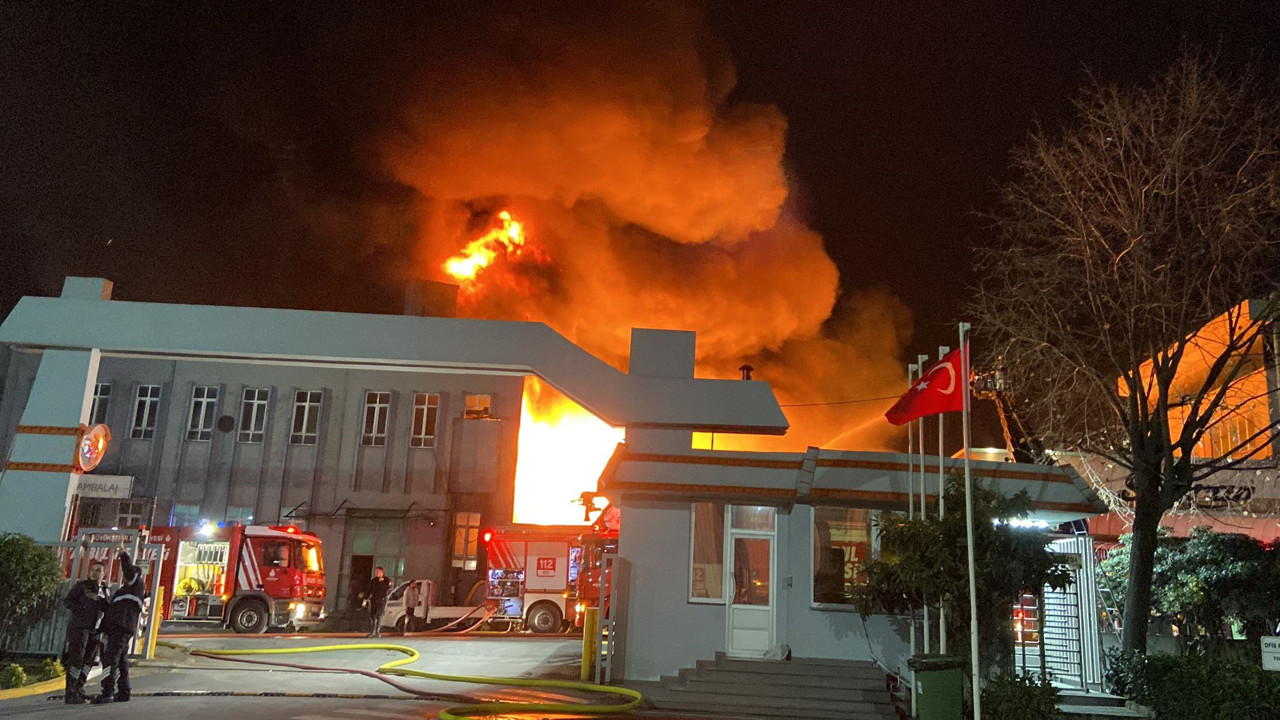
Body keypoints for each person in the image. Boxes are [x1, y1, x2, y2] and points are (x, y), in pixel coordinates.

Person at [93, 550, 147, 704]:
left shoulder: (137, 585)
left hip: (122, 627)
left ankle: (107, 692)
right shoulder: (122, 592)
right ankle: (124, 692)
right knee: (121, 661)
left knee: (110, 659)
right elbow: (112, 610)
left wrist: (123, 554)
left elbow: (129, 571)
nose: (126, 576)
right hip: (117, 627)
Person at [62, 561, 108, 704]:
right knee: (77, 658)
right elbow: (67, 601)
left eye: (98, 570)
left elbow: (107, 607)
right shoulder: (82, 586)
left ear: (103, 574)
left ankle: (79, 688)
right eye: (92, 570)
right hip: (80, 628)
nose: (94, 572)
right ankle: (71, 692)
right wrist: (82, 606)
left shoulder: (105, 590)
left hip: (95, 630)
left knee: (89, 660)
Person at [366, 566, 392, 638]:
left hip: (382, 600)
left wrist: (381, 582)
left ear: (381, 572)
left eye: (377, 571)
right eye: (375, 571)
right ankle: (372, 631)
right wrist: (365, 597)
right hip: (374, 599)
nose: (376, 573)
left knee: (379, 615)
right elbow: (369, 589)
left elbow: (387, 588)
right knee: (373, 615)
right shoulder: (373, 580)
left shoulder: (386, 580)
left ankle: (377, 631)